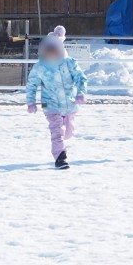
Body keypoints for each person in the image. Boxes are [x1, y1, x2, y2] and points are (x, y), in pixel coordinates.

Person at [26, 26, 88, 170]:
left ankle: (63, 140)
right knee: (57, 132)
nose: (51, 53)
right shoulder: (40, 67)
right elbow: (31, 85)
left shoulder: (69, 63)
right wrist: (31, 102)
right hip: (50, 105)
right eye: (48, 51)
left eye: (54, 50)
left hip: (69, 104)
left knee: (68, 132)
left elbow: (80, 78)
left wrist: (81, 93)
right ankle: (60, 158)